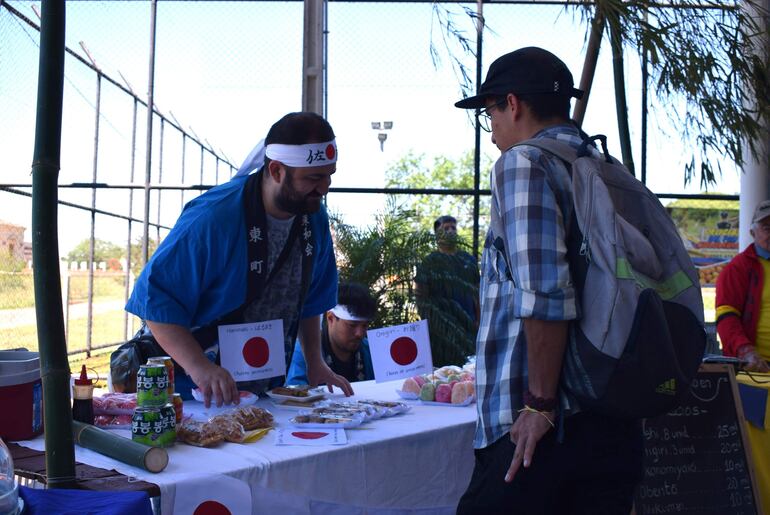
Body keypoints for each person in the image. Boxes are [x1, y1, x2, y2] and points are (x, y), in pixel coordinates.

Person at [453, 47, 643, 514]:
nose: (493, 128)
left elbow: (546, 294)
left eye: (490, 113)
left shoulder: (524, 163)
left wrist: (538, 404)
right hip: (611, 409)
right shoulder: (603, 164)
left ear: (512, 104)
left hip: (539, 428)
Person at [125, 112, 354, 407]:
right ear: (276, 171)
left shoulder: (313, 218)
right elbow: (156, 301)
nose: (324, 188)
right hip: (191, 391)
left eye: (328, 176)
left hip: (263, 390)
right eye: (313, 178)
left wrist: (315, 361)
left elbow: (310, 299)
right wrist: (200, 368)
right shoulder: (214, 217)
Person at [414, 215, 480, 367]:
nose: (451, 231)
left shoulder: (468, 260)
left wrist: (478, 321)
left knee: (468, 368)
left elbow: (477, 292)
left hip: (468, 327)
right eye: (446, 228)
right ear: (437, 234)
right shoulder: (430, 262)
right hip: (440, 331)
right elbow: (421, 296)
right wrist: (431, 323)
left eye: (453, 228)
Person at [716, 200, 770, 372]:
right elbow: (726, 317)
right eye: (766, 228)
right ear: (752, 232)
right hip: (757, 369)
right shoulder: (738, 268)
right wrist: (745, 351)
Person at [286, 282, 376, 385]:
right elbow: (294, 395)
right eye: (352, 325)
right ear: (331, 318)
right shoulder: (304, 351)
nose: (359, 334)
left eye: (365, 326)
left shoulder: (370, 350)